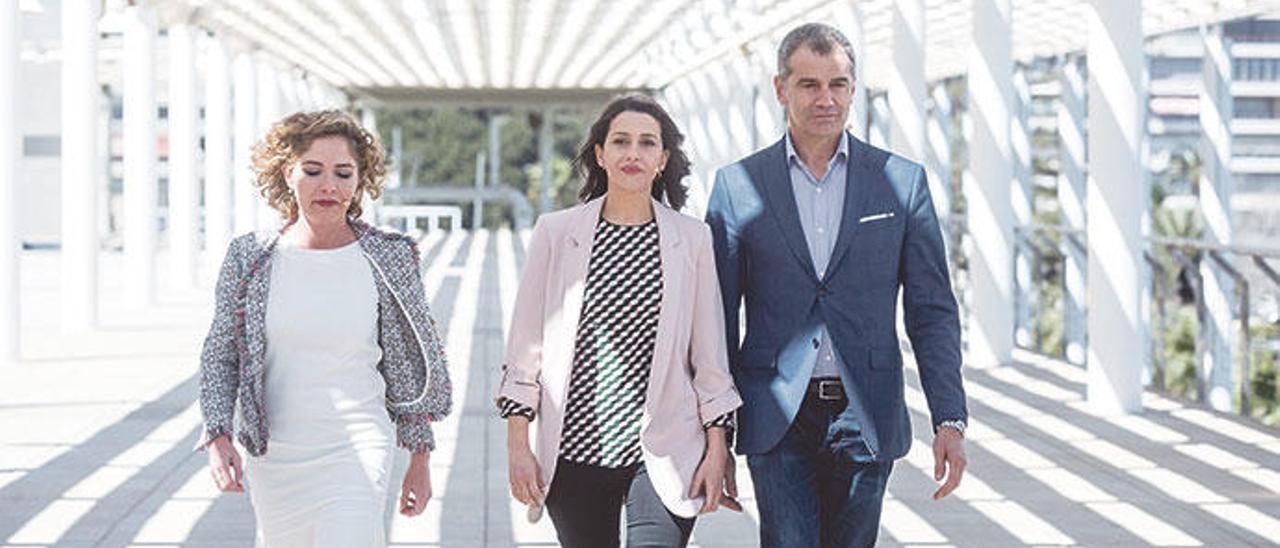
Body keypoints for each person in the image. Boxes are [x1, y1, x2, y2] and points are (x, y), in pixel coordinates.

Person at [704, 23, 968, 547]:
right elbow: (715, 319)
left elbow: (932, 309)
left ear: (853, 88)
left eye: (839, 84)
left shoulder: (900, 180)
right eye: (809, 84)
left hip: (865, 408)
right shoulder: (737, 186)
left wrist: (950, 417)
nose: (826, 99)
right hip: (776, 411)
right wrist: (717, 432)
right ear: (781, 89)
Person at [196, 110, 453, 547]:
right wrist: (218, 435)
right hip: (276, 456)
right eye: (312, 171)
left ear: (360, 181)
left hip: (360, 441)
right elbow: (221, 354)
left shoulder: (387, 258)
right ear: (287, 172)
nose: (328, 186)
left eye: (343, 173)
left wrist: (420, 457)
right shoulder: (250, 257)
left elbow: (407, 363)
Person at [496, 94, 742, 548]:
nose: (633, 153)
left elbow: (709, 356)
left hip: (665, 452)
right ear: (600, 154)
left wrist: (717, 447)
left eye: (647, 143)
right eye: (621, 141)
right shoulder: (555, 233)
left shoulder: (692, 240)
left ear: (663, 158)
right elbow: (525, 348)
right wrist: (518, 446)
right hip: (574, 453)